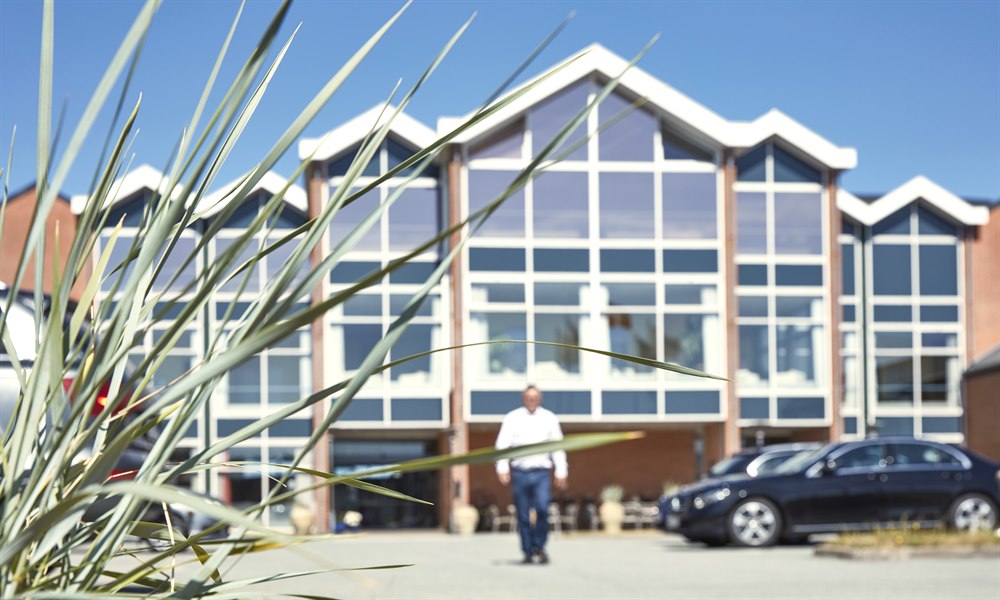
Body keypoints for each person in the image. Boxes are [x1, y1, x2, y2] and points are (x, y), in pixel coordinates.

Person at [495, 385, 567, 565]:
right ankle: (527, 551)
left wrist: (561, 470)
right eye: (528, 397)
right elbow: (503, 444)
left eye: (535, 397)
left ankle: (540, 547)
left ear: (540, 399)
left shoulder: (549, 418)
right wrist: (502, 466)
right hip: (520, 473)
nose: (532, 400)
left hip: (542, 473)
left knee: (543, 510)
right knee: (523, 515)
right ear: (523, 399)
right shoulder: (512, 418)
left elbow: (557, 446)